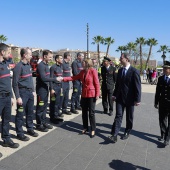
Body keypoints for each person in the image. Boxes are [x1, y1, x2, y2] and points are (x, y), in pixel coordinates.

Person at [108, 53, 141, 143]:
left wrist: (137, 99)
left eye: (121, 58)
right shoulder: (120, 70)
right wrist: (114, 94)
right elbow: (118, 84)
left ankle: (127, 131)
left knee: (129, 117)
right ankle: (114, 135)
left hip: (130, 99)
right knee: (118, 116)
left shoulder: (134, 71)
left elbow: (137, 86)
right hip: (120, 98)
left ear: (126, 59)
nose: (119, 59)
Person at [63, 59, 100, 138]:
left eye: (83, 63)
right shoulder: (82, 72)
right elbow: (74, 77)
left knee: (91, 113)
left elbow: (97, 83)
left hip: (91, 94)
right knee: (84, 112)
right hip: (84, 94)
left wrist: (97, 94)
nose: (82, 64)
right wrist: (63, 79)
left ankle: (93, 129)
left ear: (87, 64)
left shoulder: (93, 71)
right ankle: (85, 127)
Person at [13, 48, 38, 141]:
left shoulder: (28, 65)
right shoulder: (18, 67)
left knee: (30, 112)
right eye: (30, 54)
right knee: (20, 114)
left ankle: (30, 128)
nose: (31, 56)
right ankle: (19, 133)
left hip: (30, 93)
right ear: (24, 55)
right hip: (22, 93)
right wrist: (18, 97)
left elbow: (30, 80)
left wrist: (33, 90)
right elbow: (14, 83)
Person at [36, 50, 62, 131]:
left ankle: (43, 122)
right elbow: (44, 78)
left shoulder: (46, 65)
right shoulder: (41, 65)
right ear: (45, 56)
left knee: (44, 107)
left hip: (45, 89)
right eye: (50, 57)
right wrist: (55, 79)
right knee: (40, 108)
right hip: (41, 90)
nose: (51, 58)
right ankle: (39, 124)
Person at [0, 43, 19, 149]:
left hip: (7, 97)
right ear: (2, 52)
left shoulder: (6, 64)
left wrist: (11, 96)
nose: (10, 54)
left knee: (6, 119)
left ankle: (6, 139)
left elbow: (8, 82)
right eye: (8, 52)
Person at [154, 61, 170, 146]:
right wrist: (156, 102)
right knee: (162, 120)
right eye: (163, 68)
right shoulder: (160, 79)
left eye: (166, 68)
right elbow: (158, 92)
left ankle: (167, 138)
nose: (164, 70)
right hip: (162, 102)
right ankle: (163, 134)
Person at [49, 54, 64, 123]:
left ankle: (56, 115)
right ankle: (52, 117)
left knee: (58, 103)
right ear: (57, 59)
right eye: (61, 58)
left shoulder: (61, 67)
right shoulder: (53, 67)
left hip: (59, 87)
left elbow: (60, 78)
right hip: (54, 87)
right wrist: (51, 89)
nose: (62, 59)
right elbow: (51, 79)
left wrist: (61, 87)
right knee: (53, 103)